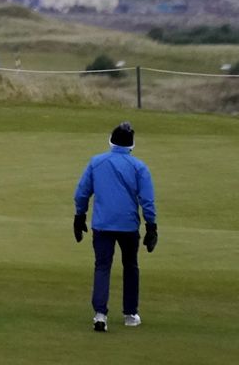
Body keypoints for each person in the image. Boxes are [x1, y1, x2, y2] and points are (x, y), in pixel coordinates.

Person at [73, 122, 158, 332]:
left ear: (111, 141)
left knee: (102, 266)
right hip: (128, 226)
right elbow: (147, 200)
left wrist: (80, 215)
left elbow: (82, 192)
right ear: (132, 145)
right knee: (131, 266)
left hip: (102, 224)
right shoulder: (139, 167)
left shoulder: (96, 162)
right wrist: (151, 226)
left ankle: (100, 315)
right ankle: (130, 314)